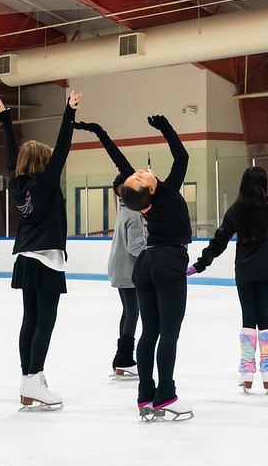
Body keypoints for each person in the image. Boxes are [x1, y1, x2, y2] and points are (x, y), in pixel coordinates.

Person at [73, 115, 193, 422]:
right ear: (150, 189)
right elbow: (182, 156)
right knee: (168, 332)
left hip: (146, 265)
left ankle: (145, 397)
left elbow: (120, 162)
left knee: (150, 330)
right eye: (140, 177)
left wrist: (100, 131)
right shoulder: (166, 192)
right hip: (169, 261)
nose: (140, 172)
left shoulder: (140, 198)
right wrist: (166, 128)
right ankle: (166, 395)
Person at [0, 90, 82, 411]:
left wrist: (5, 121)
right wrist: (68, 113)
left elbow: (12, 157)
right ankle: (34, 378)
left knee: (30, 318)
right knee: (45, 321)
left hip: (25, 258)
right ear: (44, 162)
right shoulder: (46, 180)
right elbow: (64, 147)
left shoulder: (16, 181)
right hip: (47, 259)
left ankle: (28, 381)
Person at [188, 121, 268, 393]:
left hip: (246, 272)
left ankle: (246, 373)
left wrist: (199, 265)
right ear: (264, 185)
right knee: (266, 319)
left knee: (249, 318)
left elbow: (219, 241)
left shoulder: (236, 211)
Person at [108, 173, 146, 378]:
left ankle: (120, 358)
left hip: (120, 267)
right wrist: (151, 252)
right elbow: (135, 247)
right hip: (128, 269)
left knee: (128, 311)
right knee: (133, 311)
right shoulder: (133, 213)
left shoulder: (123, 210)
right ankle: (124, 359)